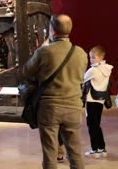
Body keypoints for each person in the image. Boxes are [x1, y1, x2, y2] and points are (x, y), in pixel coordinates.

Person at [19, 14, 88, 169]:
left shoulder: (45, 52)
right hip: (73, 107)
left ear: (52, 30)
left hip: (49, 107)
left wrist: (42, 48)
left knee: (50, 153)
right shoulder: (81, 53)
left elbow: (26, 71)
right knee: (75, 153)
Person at [83, 46, 113, 158]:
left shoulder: (93, 70)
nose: (91, 59)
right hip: (100, 100)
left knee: (91, 125)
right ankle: (100, 148)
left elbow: (82, 79)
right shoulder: (107, 69)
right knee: (96, 125)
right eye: (90, 57)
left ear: (100, 57)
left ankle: (96, 149)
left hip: (91, 100)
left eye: (93, 57)